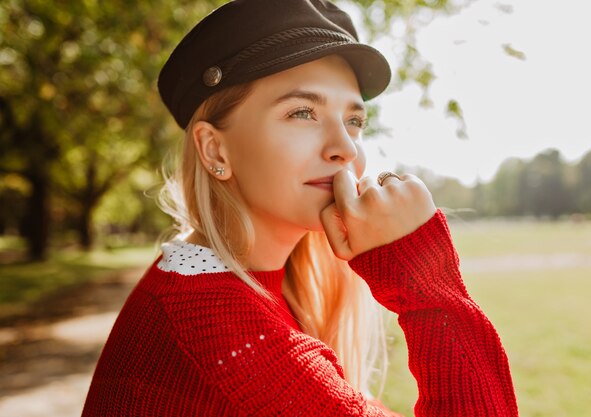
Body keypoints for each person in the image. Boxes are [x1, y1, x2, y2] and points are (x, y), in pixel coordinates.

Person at [82, 0, 519, 416]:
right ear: (215, 149)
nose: (345, 148)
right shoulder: (224, 327)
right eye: (302, 112)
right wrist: (424, 277)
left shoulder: (209, 287)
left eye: (354, 120)